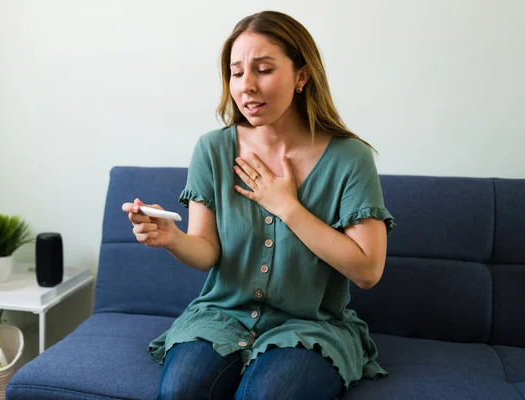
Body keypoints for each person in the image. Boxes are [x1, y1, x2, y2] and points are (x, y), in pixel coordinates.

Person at [122, 10, 395, 400]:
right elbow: (206, 251)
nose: (246, 85)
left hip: (310, 327)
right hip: (221, 317)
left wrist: (288, 208)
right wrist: (173, 237)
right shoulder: (212, 150)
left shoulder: (350, 158)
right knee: (182, 391)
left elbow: (368, 270)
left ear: (302, 76)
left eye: (263, 69)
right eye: (236, 73)